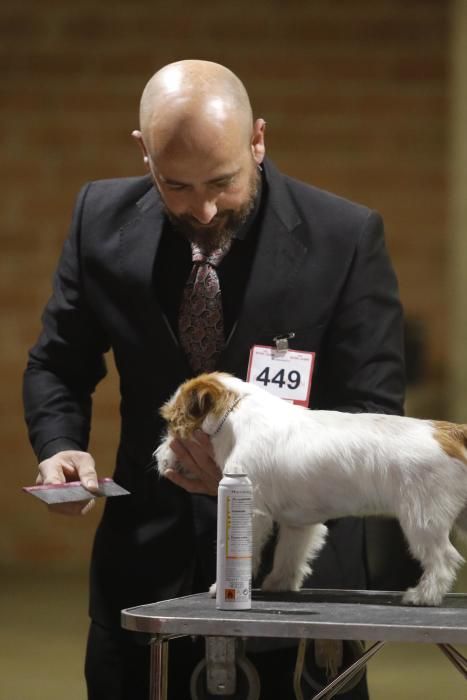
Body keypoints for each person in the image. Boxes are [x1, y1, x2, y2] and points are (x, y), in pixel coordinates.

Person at [23, 60, 407, 700]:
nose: (202, 208)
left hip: (298, 590)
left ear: (258, 140)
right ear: (143, 152)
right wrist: (60, 443)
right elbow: (59, 362)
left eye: (223, 182)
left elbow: (372, 415)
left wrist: (265, 480)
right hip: (146, 582)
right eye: (175, 185)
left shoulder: (345, 238)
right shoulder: (99, 220)